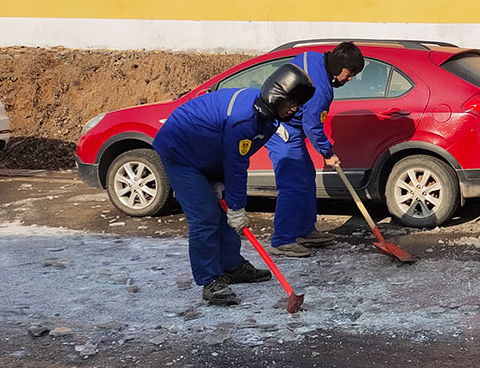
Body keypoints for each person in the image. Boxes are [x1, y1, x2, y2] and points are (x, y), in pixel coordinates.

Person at [154, 63, 315, 306]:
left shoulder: (267, 119)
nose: (295, 109)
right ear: (277, 96)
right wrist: (237, 206)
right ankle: (210, 280)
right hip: (180, 153)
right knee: (205, 216)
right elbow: (236, 163)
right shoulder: (245, 118)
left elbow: (239, 156)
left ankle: (231, 266)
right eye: (292, 102)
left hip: (206, 153)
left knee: (225, 211)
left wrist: (224, 187)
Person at [265, 42, 365, 256]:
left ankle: (304, 230)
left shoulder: (312, 57)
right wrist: (328, 153)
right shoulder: (321, 90)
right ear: (339, 67)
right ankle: (282, 240)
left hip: (290, 127)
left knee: (306, 176)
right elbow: (312, 126)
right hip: (280, 130)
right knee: (292, 185)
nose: (349, 79)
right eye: (349, 74)